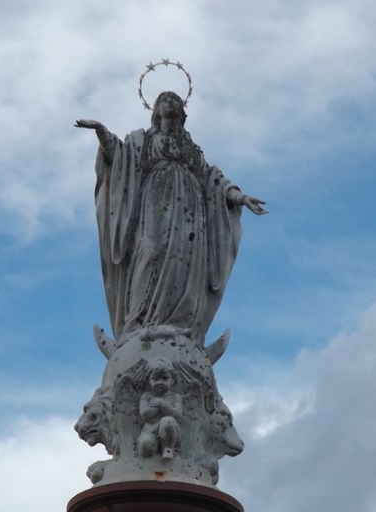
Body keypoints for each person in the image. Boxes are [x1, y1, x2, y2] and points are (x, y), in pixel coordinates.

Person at [75, 91, 266, 345]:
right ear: (156, 109)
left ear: (182, 113)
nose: (170, 101)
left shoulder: (192, 149)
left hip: (190, 207)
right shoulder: (141, 140)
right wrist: (102, 133)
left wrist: (239, 197)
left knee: (185, 261)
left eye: (175, 99)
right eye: (164, 99)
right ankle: (138, 322)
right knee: (151, 251)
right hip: (154, 201)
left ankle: (181, 325)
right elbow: (120, 158)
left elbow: (214, 181)